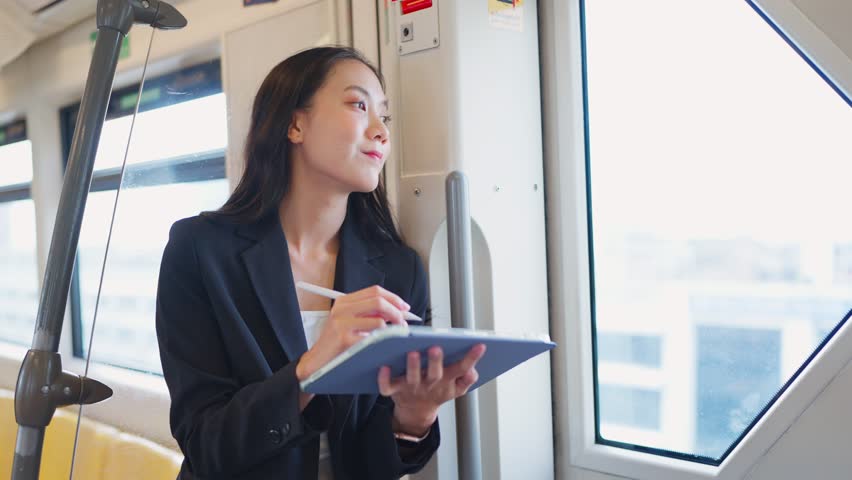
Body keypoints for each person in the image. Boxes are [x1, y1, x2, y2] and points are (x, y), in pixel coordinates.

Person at [155, 46, 486, 480]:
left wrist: (413, 418)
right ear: (295, 123)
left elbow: (371, 464)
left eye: (384, 117)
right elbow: (207, 445)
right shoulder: (199, 251)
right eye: (358, 105)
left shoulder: (399, 269)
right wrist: (310, 368)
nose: (381, 132)